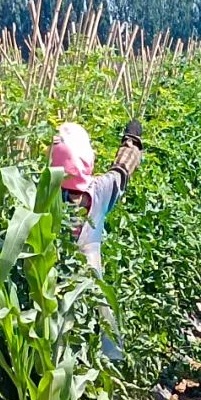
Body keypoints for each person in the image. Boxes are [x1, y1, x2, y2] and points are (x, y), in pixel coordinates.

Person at [50, 119, 143, 358]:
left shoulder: (45, 195)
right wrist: (131, 141)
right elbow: (122, 170)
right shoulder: (99, 190)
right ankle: (109, 368)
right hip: (91, 281)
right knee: (104, 325)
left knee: (57, 336)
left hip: (51, 285)